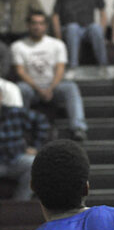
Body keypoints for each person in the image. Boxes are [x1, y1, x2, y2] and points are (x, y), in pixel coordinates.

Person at [12, 10, 88, 141]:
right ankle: (20, 129)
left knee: (71, 87)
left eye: (41, 23)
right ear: (28, 25)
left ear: (46, 26)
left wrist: (50, 88)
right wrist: (38, 89)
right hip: (31, 87)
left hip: (53, 86)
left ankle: (78, 128)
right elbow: (20, 71)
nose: (37, 26)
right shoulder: (18, 46)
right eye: (34, 23)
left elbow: (60, 69)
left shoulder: (57, 44)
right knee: (20, 89)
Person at [51, 0, 109, 68]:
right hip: (68, 28)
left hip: (88, 29)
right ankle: (73, 67)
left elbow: (103, 13)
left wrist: (102, 32)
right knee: (73, 28)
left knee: (96, 28)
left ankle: (104, 66)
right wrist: (57, 37)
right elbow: (55, 15)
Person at [0, 90, 49, 200]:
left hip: (16, 158)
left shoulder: (15, 112)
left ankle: (20, 204)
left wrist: (36, 146)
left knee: (34, 164)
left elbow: (41, 120)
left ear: (1, 97)